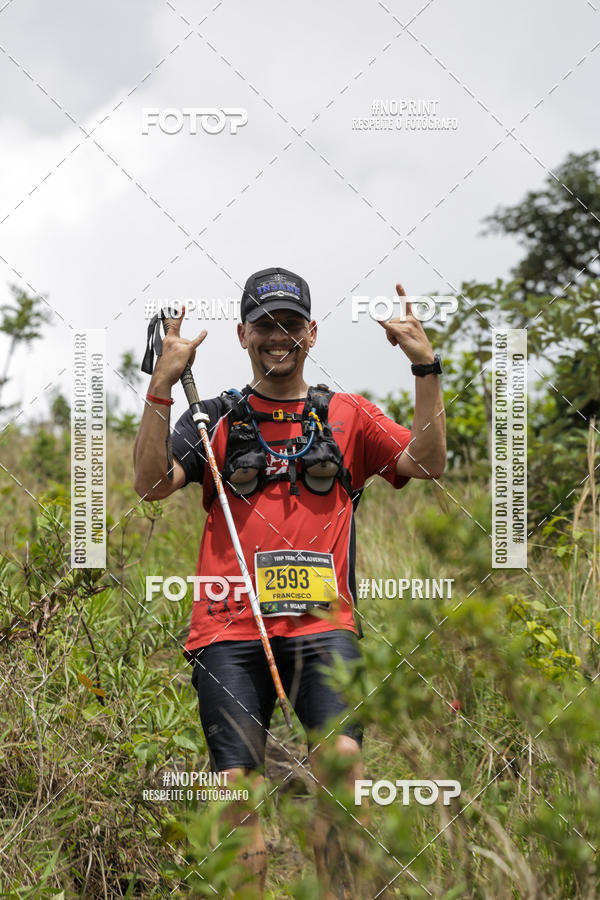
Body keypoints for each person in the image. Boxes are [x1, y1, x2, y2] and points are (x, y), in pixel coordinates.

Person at [133, 266, 446, 899]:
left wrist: (425, 368)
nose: (280, 336)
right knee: (236, 792)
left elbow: (428, 461)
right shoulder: (211, 418)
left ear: (311, 331)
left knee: (343, 771)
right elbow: (149, 484)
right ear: (242, 333)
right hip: (228, 630)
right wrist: (161, 388)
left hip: (323, 628)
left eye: (292, 324)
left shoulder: (347, 414)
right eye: (266, 325)